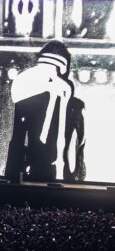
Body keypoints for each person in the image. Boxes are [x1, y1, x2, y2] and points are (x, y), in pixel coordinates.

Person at [5, 41, 82, 181]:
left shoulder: (76, 107)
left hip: (64, 180)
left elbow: (81, 148)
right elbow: (17, 142)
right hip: (34, 176)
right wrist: (11, 178)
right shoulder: (25, 103)